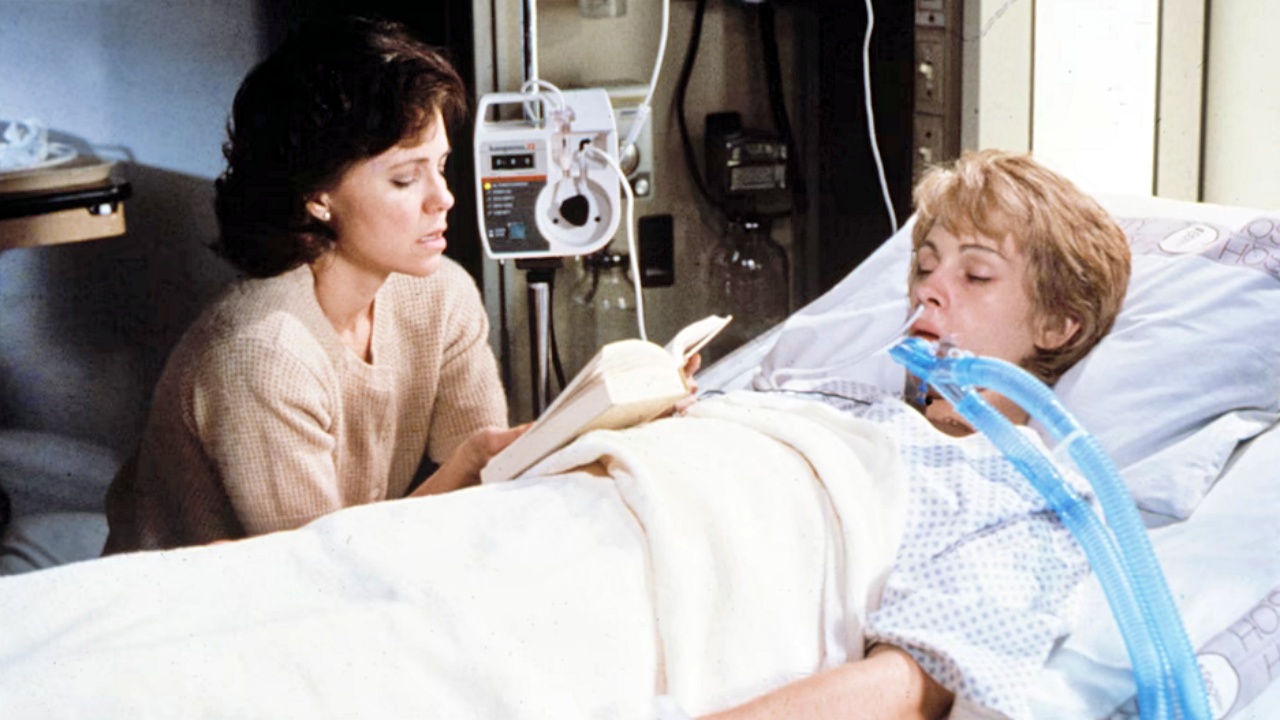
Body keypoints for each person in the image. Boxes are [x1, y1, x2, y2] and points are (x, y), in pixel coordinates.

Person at [698, 149, 1132, 718]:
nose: (928, 291)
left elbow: (905, 688)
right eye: (925, 267)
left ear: (1055, 325)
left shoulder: (1027, 494)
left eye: (976, 275)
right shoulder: (826, 398)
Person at [103, 16, 524, 553]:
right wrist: (469, 464)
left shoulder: (443, 295)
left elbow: (487, 493)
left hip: (322, 578)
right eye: (405, 178)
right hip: (191, 596)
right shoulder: (263, 352)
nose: (443, 197)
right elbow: (321, 569)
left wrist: (492, 459)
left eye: (440, 166)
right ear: (319, 196)